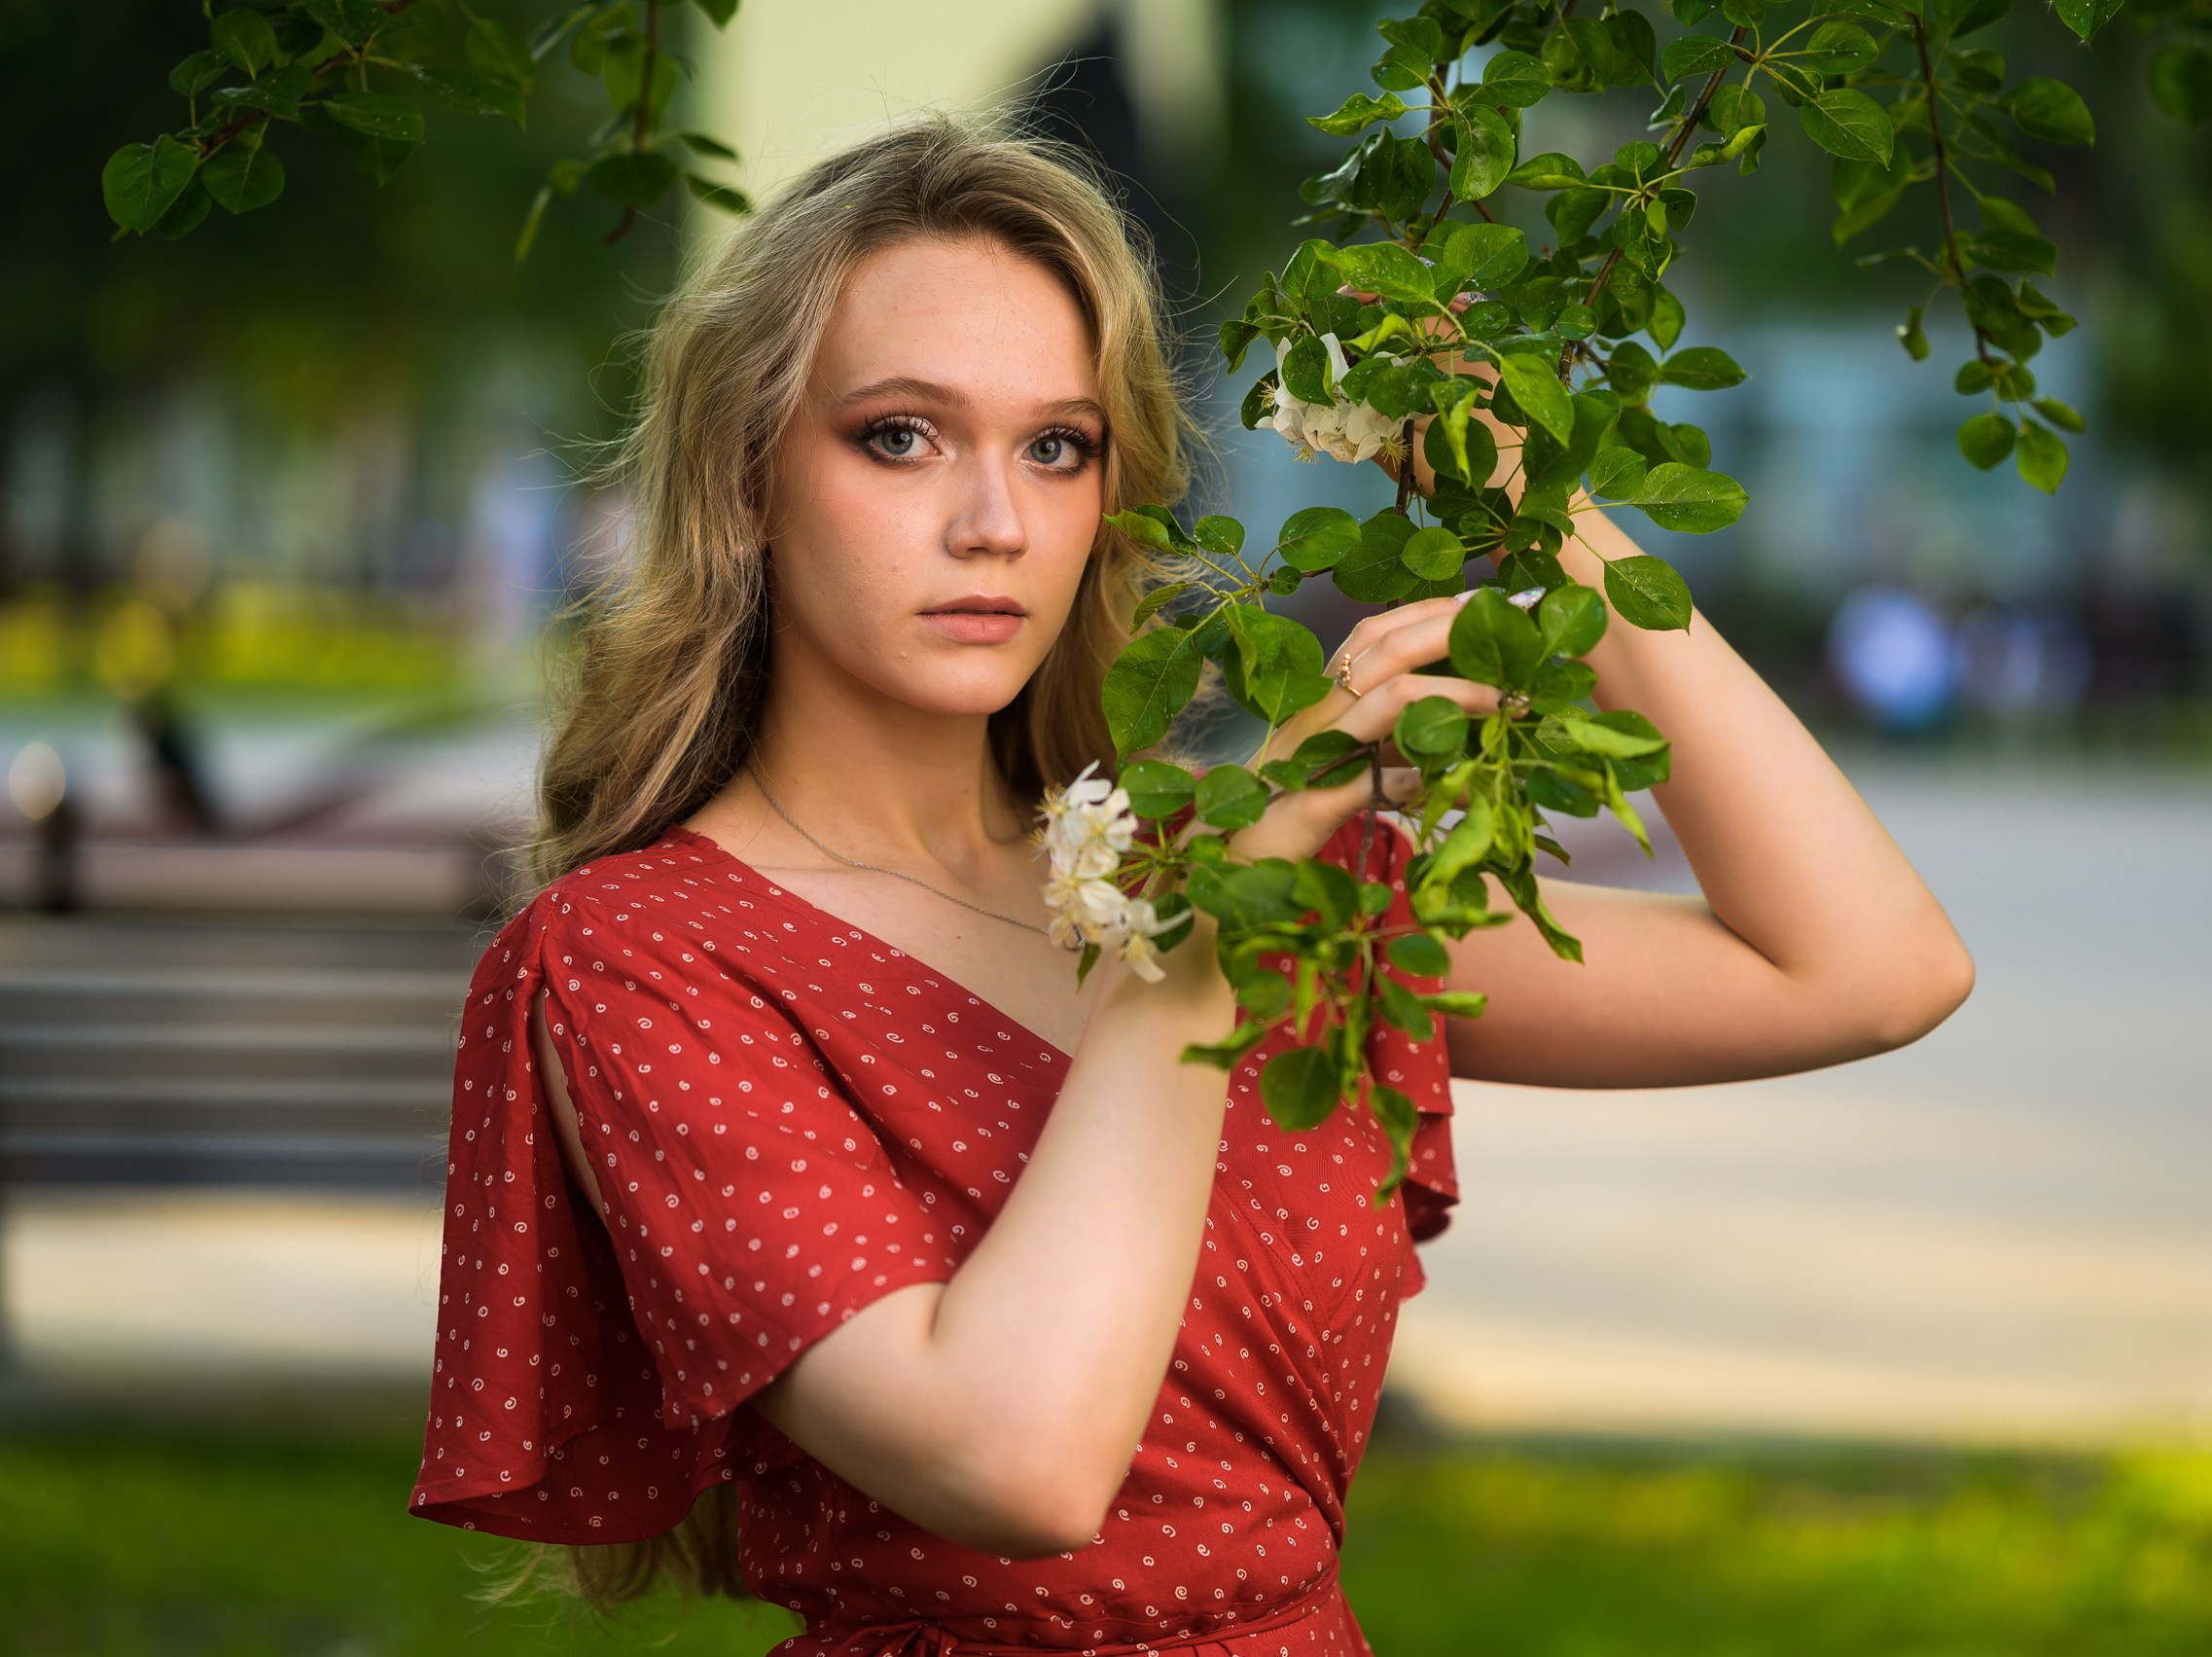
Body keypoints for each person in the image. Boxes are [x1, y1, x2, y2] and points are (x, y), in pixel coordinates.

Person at [410, 117, 1974, 1655]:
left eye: (1057, 446)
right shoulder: (639, 960)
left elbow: (1866, 966)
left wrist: (1538, 497)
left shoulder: (1229, 855)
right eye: (899, 435)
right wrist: (1204, 927)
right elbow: (1016, 1460)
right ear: (746, 479)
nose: (993, 522)